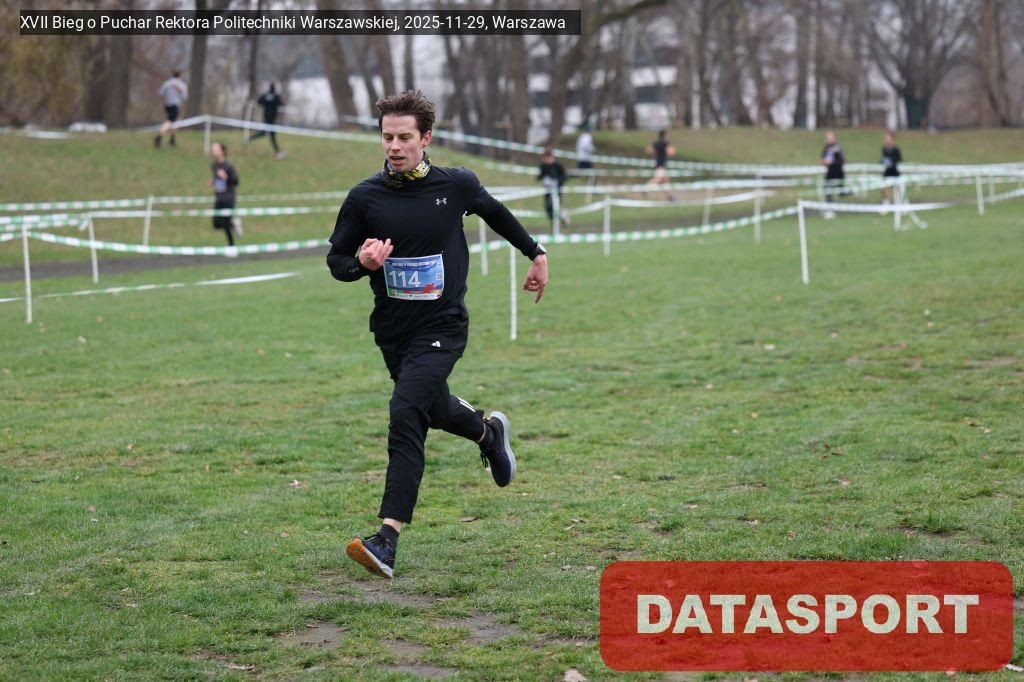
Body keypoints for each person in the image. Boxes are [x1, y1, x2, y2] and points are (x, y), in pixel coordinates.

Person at [326, 90, 549, 579]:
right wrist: (362, 264)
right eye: (387, 137)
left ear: (426, 138)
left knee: (406, 411)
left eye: (405, 137)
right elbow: (336, 261)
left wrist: (536, 253)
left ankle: (386, 539)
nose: (395, 146)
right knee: (433, 406)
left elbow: (496, 213)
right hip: (393, 333)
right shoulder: (364, 198)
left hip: (443, 326)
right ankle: (488, 434)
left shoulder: (456, 185)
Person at [208, 142, 241, 246]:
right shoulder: (214, 166)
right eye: (212, 150)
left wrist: (226, 177)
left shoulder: (229, 166)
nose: (213, 152)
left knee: (226, 223)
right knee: (216, 224)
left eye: (215, 149)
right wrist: (213, 181)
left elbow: (236, 181)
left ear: (222, 151)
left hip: (228, 198)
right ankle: (233, 224)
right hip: (219, 197)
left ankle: (231, 247)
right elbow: (219, 180)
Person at [247, 82, 287, 159]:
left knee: (266, 133)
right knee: (270, 135)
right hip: (272, 120)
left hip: (266, 119)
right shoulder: (276, 96)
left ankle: (249, 139)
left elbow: (259, 101)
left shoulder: (265, 96)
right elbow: (282, 104)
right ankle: (277, 152)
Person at [537, 146, 569, 228]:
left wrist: (557, 181)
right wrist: (542, 178)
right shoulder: (543, 166)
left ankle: (561, 218)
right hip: (547, 189)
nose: (547, 160)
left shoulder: (558, 165)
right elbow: (540, 176)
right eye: (545, 158)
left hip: (556, 189)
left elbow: (564, 176)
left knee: (555, 206)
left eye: (548, 157)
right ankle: (556, 221)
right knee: (548, 208)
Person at [154, 70, 187, 149]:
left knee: (176, 121)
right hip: (175, 105)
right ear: (179, 76)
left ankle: (172, 139)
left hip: (167, 105)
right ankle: (159, 136)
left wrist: (168, 96)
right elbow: (184, 97)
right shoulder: (182, 84)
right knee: (169, 122)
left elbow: (160, 93)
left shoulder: (167, 83)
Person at [820, 130, 845, 219]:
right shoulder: (826, 148)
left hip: (838, 173)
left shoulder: (837, 148)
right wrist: (824, 162)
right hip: (829, 173)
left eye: (831, 137)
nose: (829, 139)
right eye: (828, 137)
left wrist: (832, 162)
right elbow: (822, 159)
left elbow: (842, 160)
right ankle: (830, 210)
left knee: (842, 193)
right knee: (828, 191)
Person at [646, 130, 676, 198]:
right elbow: (671, 152)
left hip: (658, 163)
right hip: (661, 164)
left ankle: (670, 196)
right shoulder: (665, 143)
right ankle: (646, 188)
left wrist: (653, 154)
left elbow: (648, 150)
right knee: (658, 179)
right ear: (665, 135)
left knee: (666, 180)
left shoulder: (656, 143)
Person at [880, 130, 903, 205]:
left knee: (897, 187)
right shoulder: (884, 149)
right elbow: (883, 158)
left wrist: (892, 161)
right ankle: (886, 201)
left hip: (894, 171)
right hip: (888, 171)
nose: (887, 141)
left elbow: (899, 159)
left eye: (889, 139)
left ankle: (898, 202)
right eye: (886, 139)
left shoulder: (896, 149)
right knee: (883, 185)